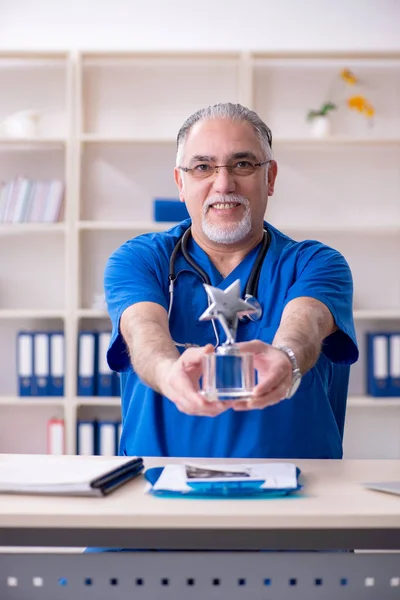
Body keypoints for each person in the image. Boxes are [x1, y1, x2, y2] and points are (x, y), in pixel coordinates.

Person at [104, 102, 359, 460]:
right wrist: (166, 372)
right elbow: (142, 329)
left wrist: (286, 357)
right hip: (159, 492)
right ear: (181, 182)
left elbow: (305, 323)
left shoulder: (316, 263)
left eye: (242, 164)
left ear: (269, 178)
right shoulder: (141, 260)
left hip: (299, 498)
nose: (223, 184)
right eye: (202, 167)